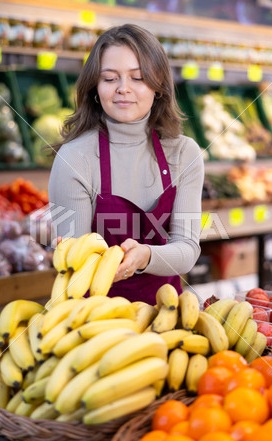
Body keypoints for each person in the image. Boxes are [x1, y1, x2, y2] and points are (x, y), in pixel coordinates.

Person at [48, 23, 204, 304]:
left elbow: (188, 249)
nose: (123, 89)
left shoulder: (184, 154)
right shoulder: (73, 159)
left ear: (158, 87)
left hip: (165, 320)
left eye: (138, 78)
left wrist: (146, 256)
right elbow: (73, 265)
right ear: (95, 88)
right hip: (94, 320)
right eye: (109, 79)